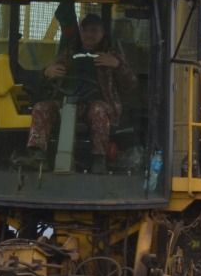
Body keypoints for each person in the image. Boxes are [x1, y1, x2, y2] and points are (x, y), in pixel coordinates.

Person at [26, 12, 136, 165]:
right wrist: (47, 72)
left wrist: (117, 65)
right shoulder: (69, 54)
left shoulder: (111, 55)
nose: (90, 34)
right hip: (65, 102)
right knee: (41, 107)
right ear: (81, 32)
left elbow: (130, 84)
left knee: (98, 110)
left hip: (96, 104)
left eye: (95, 31)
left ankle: (99, 159)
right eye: (87, 30)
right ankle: (37, 155)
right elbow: (43, 78)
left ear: (102, 33)